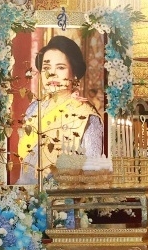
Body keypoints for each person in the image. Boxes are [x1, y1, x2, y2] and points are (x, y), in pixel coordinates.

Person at [17, 35, 104, 184]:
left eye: (61, 67)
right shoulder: (33, 109)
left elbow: (92, 174)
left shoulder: (87, 116)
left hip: (64, 200)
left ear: (74, 73)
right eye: (46, 68)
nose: (52, 74)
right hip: (24, 197)